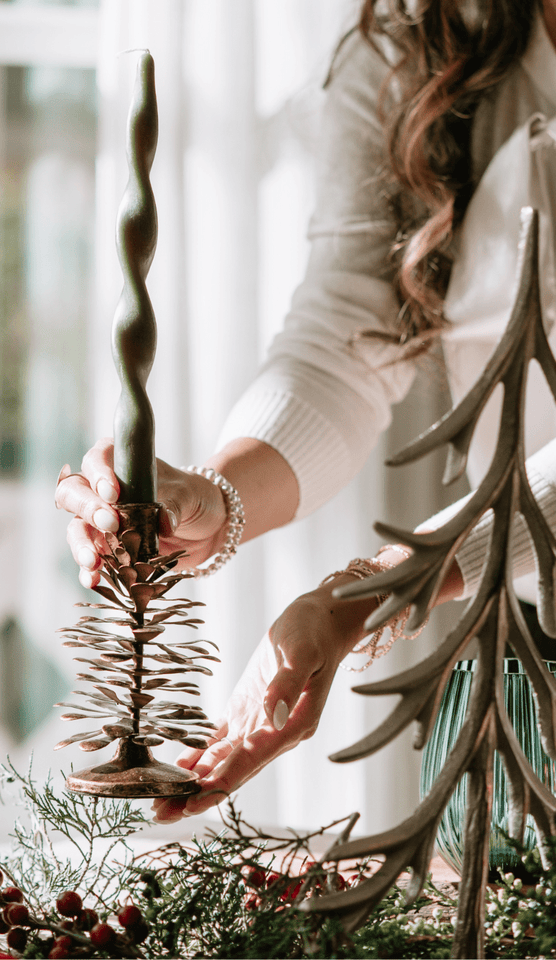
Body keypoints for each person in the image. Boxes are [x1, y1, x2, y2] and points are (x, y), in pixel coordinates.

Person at [56, 0, 556, 822]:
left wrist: (368, 592)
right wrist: (216, 499)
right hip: (516, 648)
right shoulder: (421, 45)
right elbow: (346, 339)